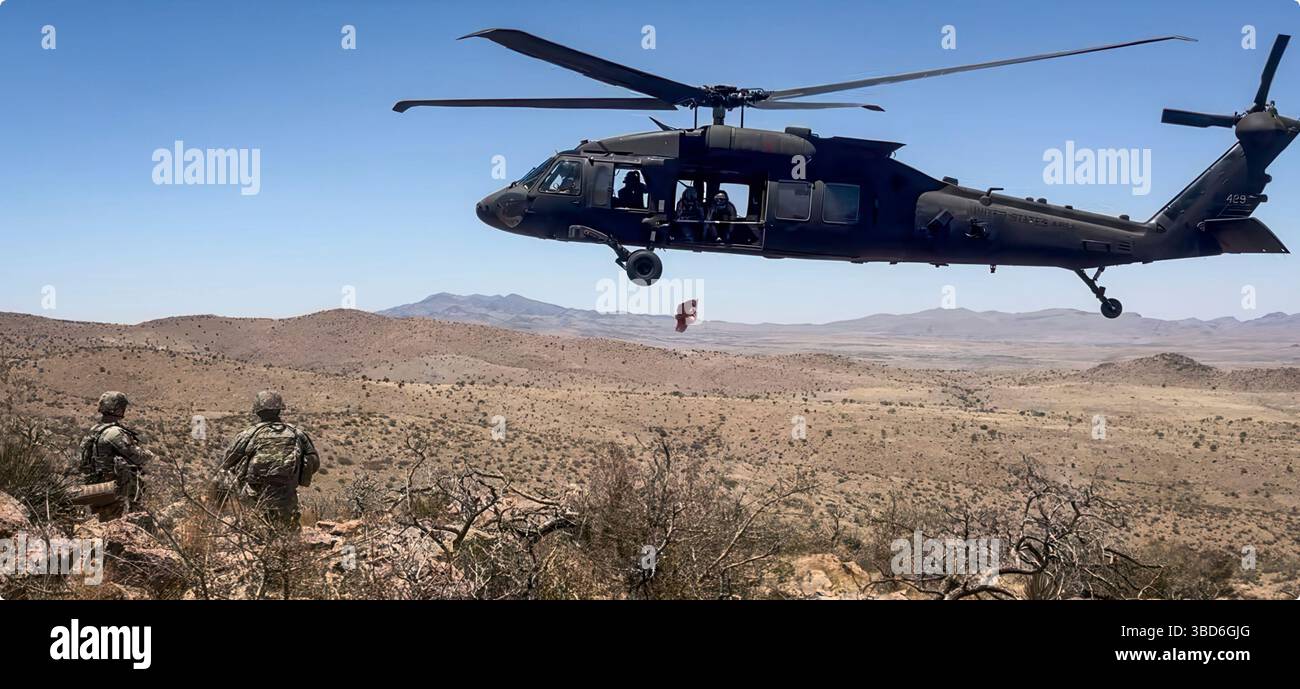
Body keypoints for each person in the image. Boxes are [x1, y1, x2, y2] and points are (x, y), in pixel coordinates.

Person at [219, 390, 320, 529]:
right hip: (286, 495)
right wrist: (296, 478)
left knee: (221, 476)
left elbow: (227, 462)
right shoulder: (297, 433)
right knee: (287, 529)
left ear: (257, 411)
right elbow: (313, 461)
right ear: (279, 409)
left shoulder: (248, 434)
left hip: (253, 495)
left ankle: (212, 516)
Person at [78, 391, 154, 522]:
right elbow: (136, 456)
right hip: (115, 488)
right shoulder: (114, 433)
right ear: (118, 408)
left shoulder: (94, 429)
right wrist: (149, 454)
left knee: (104, 521)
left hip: (96, 485)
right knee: (116, 523)